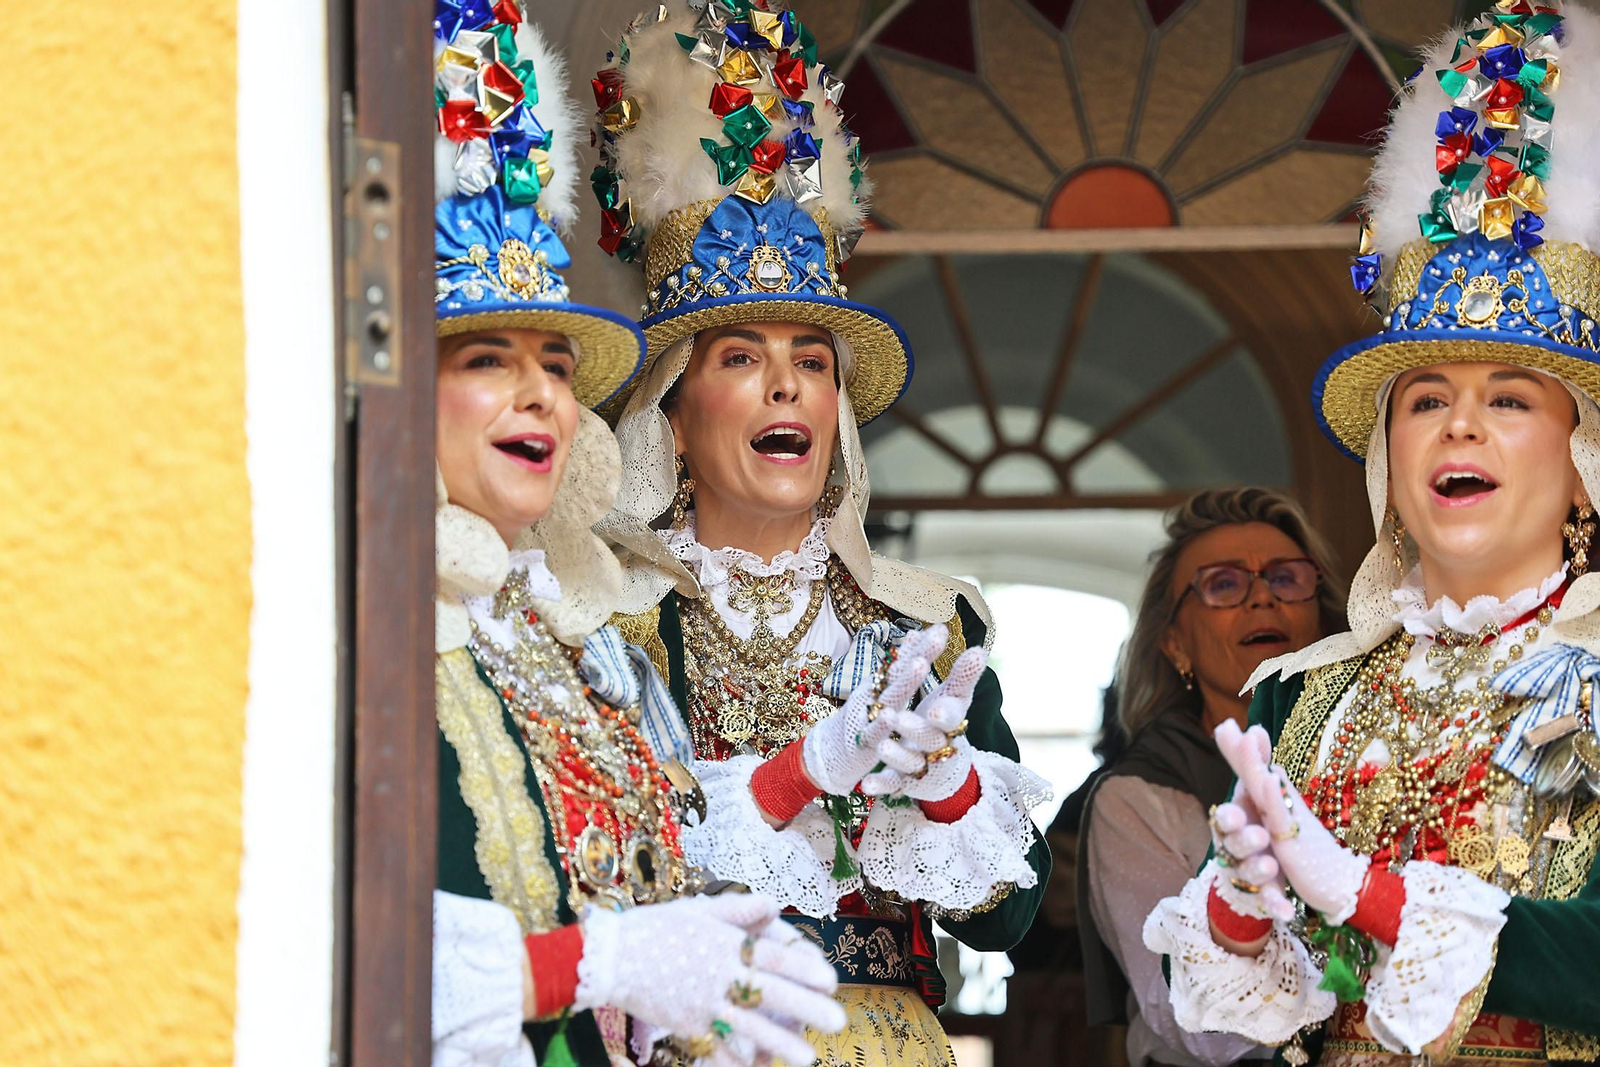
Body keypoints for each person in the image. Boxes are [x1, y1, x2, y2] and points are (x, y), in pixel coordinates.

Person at [586, 4, 1052, 1064]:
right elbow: (600, 868)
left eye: (811, 359)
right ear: (671, 413)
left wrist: (949, 788)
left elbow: (1012, 917)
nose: (787, 383)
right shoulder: (612, 616)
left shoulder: (928, 620)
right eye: (740, 358)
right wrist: (793, 774)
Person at [1144, 6, 1600, 1065]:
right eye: (1425, 398)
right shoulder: (1302, 697)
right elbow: (1207, 997)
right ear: (1387, 460)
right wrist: (1241, 912)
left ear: (1583, 459)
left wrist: (1369, 894)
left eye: (1510, 399)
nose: (1459, 426)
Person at [426, 9, 843, 1066]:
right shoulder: (360, 632)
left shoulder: (575, 639)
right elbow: (319, 933)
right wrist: (592, 964)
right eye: (488, 359)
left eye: (557, 368)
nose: (540, 395)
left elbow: (664, 866)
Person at [1079, 489, 1343, 1067]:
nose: (1262, 598)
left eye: (1286, 578)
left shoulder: (1369, 755)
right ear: (1175, 644)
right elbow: (1193, 1022)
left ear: (1323, 619)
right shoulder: (1138, 798)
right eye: (1223, 585)